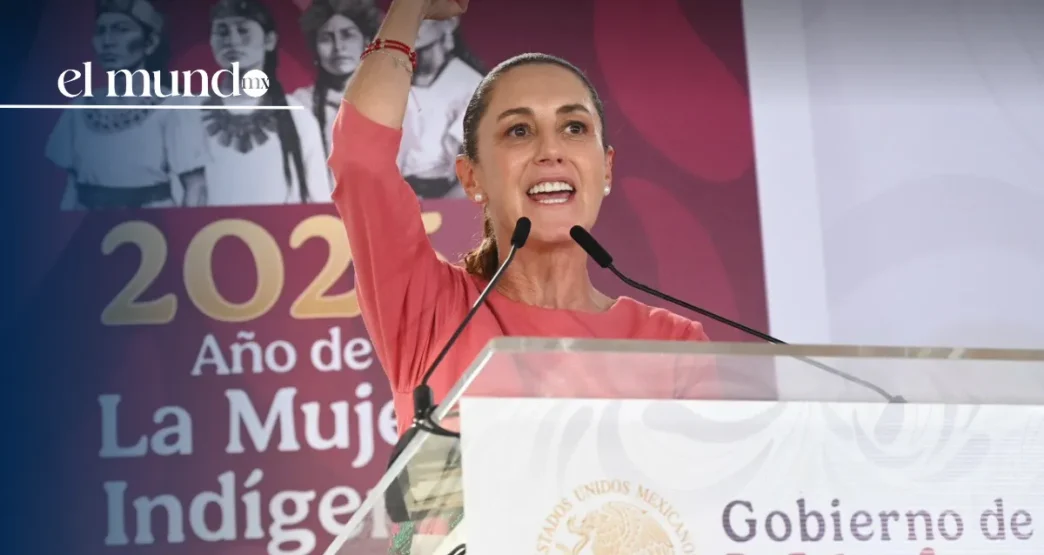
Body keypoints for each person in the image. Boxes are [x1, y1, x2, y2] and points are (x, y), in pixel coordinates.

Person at [330, 0, 714, 439]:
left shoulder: (672, 345)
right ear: (471, 177)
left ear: (606, 169)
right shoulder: (432, 312)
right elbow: (359, 158)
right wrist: (411, 6)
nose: (551, 151)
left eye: (574, 128)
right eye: (519, 131)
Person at [47, 0, 210, 210]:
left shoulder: (174, 106)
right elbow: (71, 187)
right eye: (101, 31)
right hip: (88, 222)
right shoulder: (79, 109)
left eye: (121, 30)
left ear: (150, 43)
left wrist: (186, 228)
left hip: (150, 223)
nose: (107, 41)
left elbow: (196, 187)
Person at [197, 0, 331, 206]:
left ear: (269, 40)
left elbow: (318, 198)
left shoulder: (299, 117)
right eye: (222, 32)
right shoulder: (188, 114)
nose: (232, 40)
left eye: (243, 30)